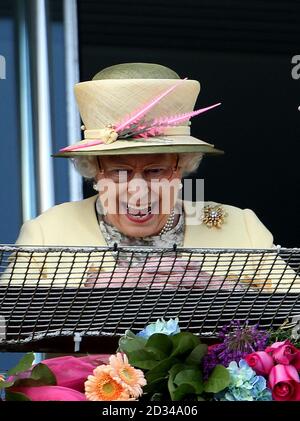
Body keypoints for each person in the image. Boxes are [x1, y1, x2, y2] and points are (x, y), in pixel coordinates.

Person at [6, 63, 299, 292]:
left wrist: (216, 288)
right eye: (119, 171)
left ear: (180, 169)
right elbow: (9, 326)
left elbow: (294, 319)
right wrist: (88, 296)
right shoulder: (48, 233)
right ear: (95, 172)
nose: (138, 190)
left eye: (155, 171)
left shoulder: (240, 227)